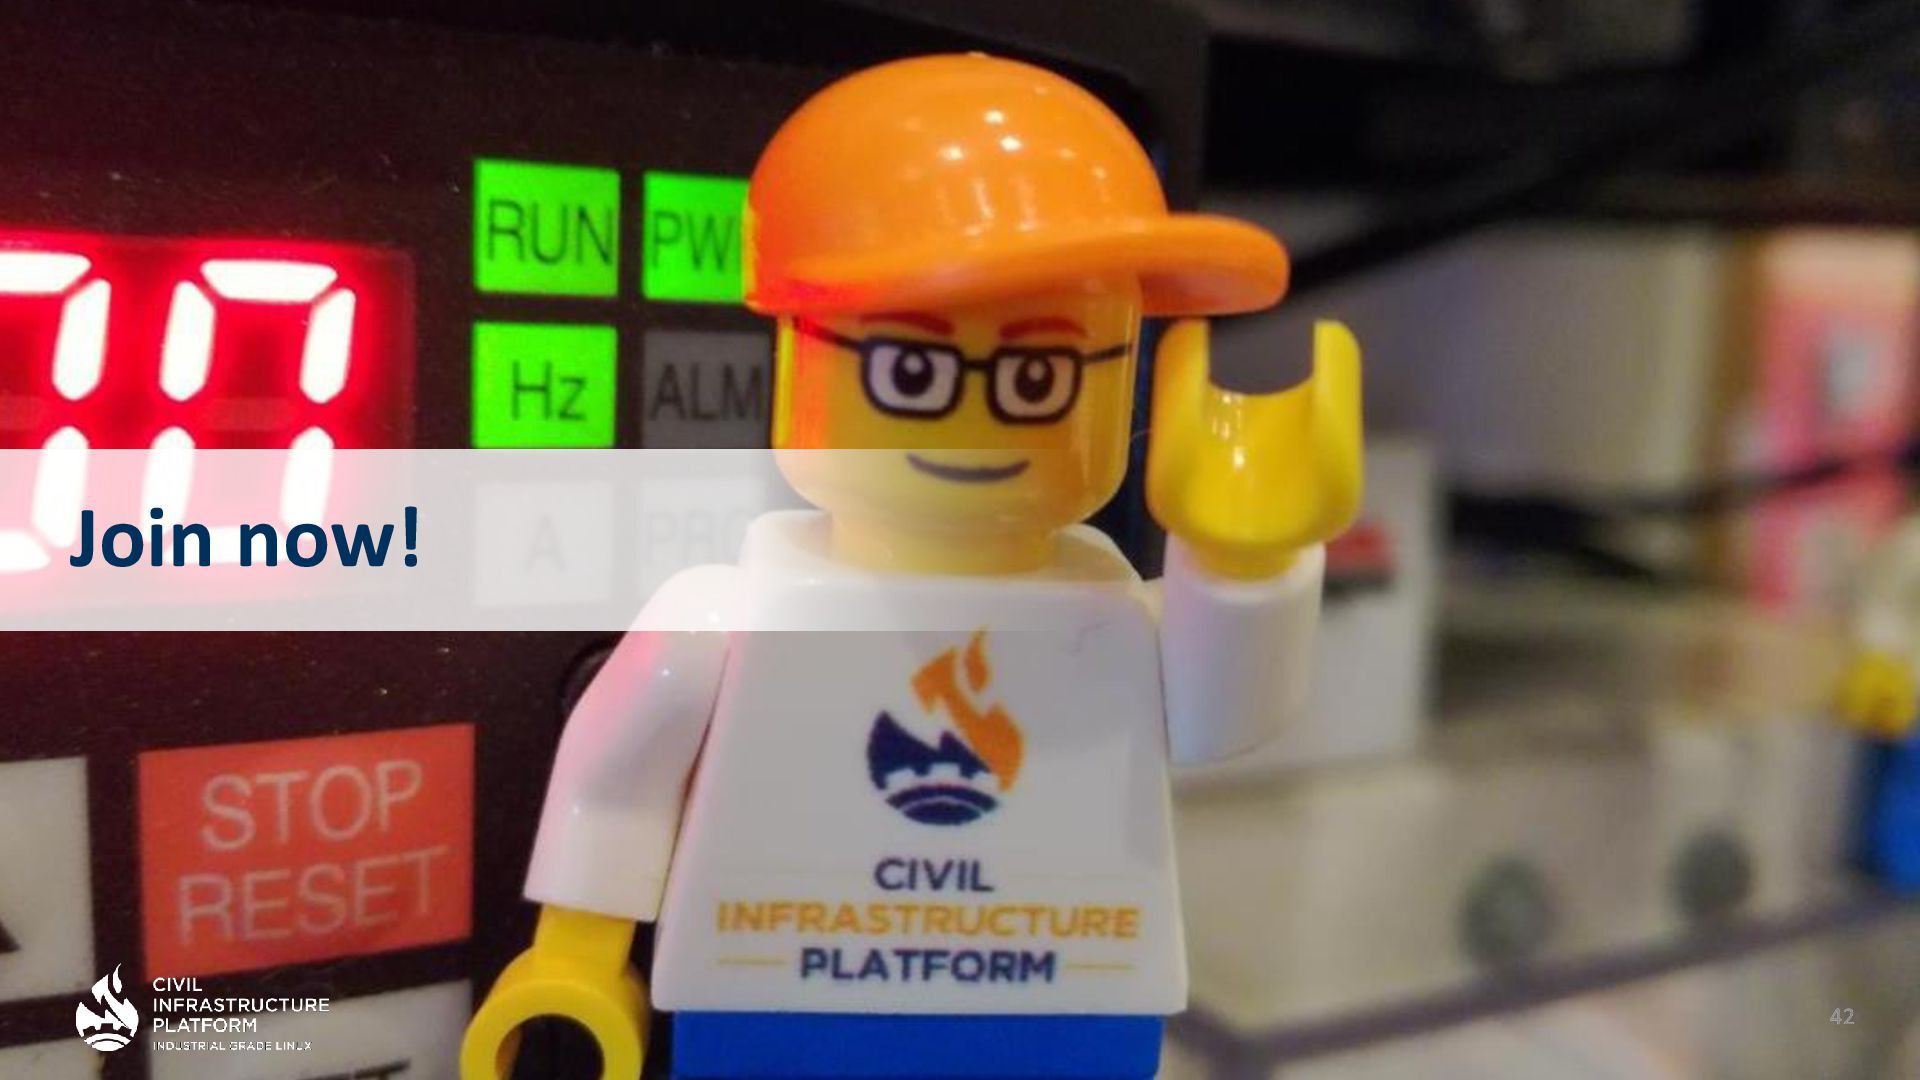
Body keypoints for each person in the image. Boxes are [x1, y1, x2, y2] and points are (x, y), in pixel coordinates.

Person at [462, 53, 1361, 1080]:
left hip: (1066, 1017)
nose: (978, 421)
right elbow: (616, 782)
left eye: (1037, 373)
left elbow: (1219, 716)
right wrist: (577, 961)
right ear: (803, 352)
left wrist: (1245, 559)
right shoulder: (727, 616)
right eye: (914, 369)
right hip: (773, 1010)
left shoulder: (1115, 618)